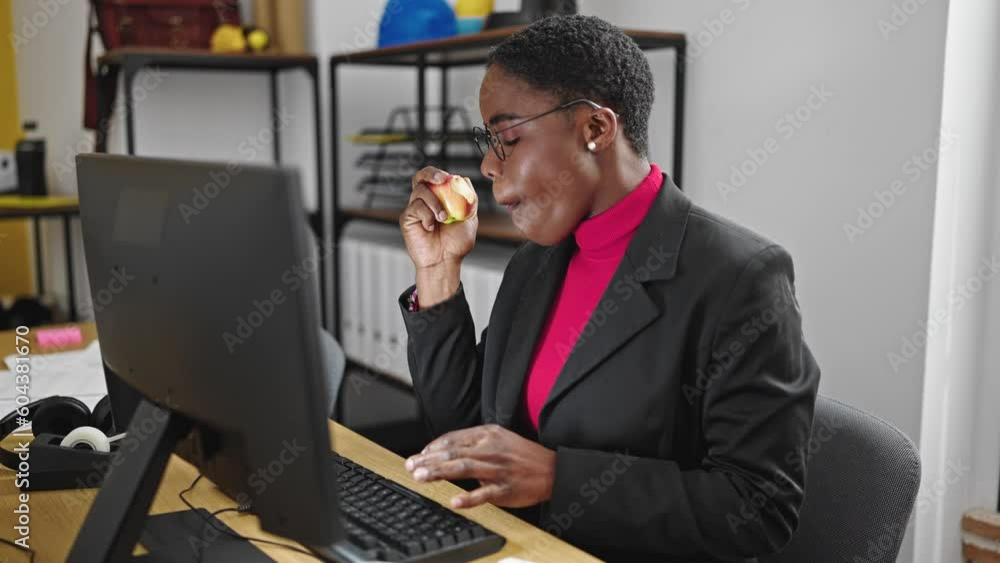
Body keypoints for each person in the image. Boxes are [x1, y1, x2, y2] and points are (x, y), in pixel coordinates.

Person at [396, 15, 821, 563]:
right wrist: (438, 270)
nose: (486, 165)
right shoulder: (537, 262)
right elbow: (461, 434)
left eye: (506, 139)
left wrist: (558, 477)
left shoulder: (741, 279)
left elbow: (759, 508)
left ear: (595, 129)